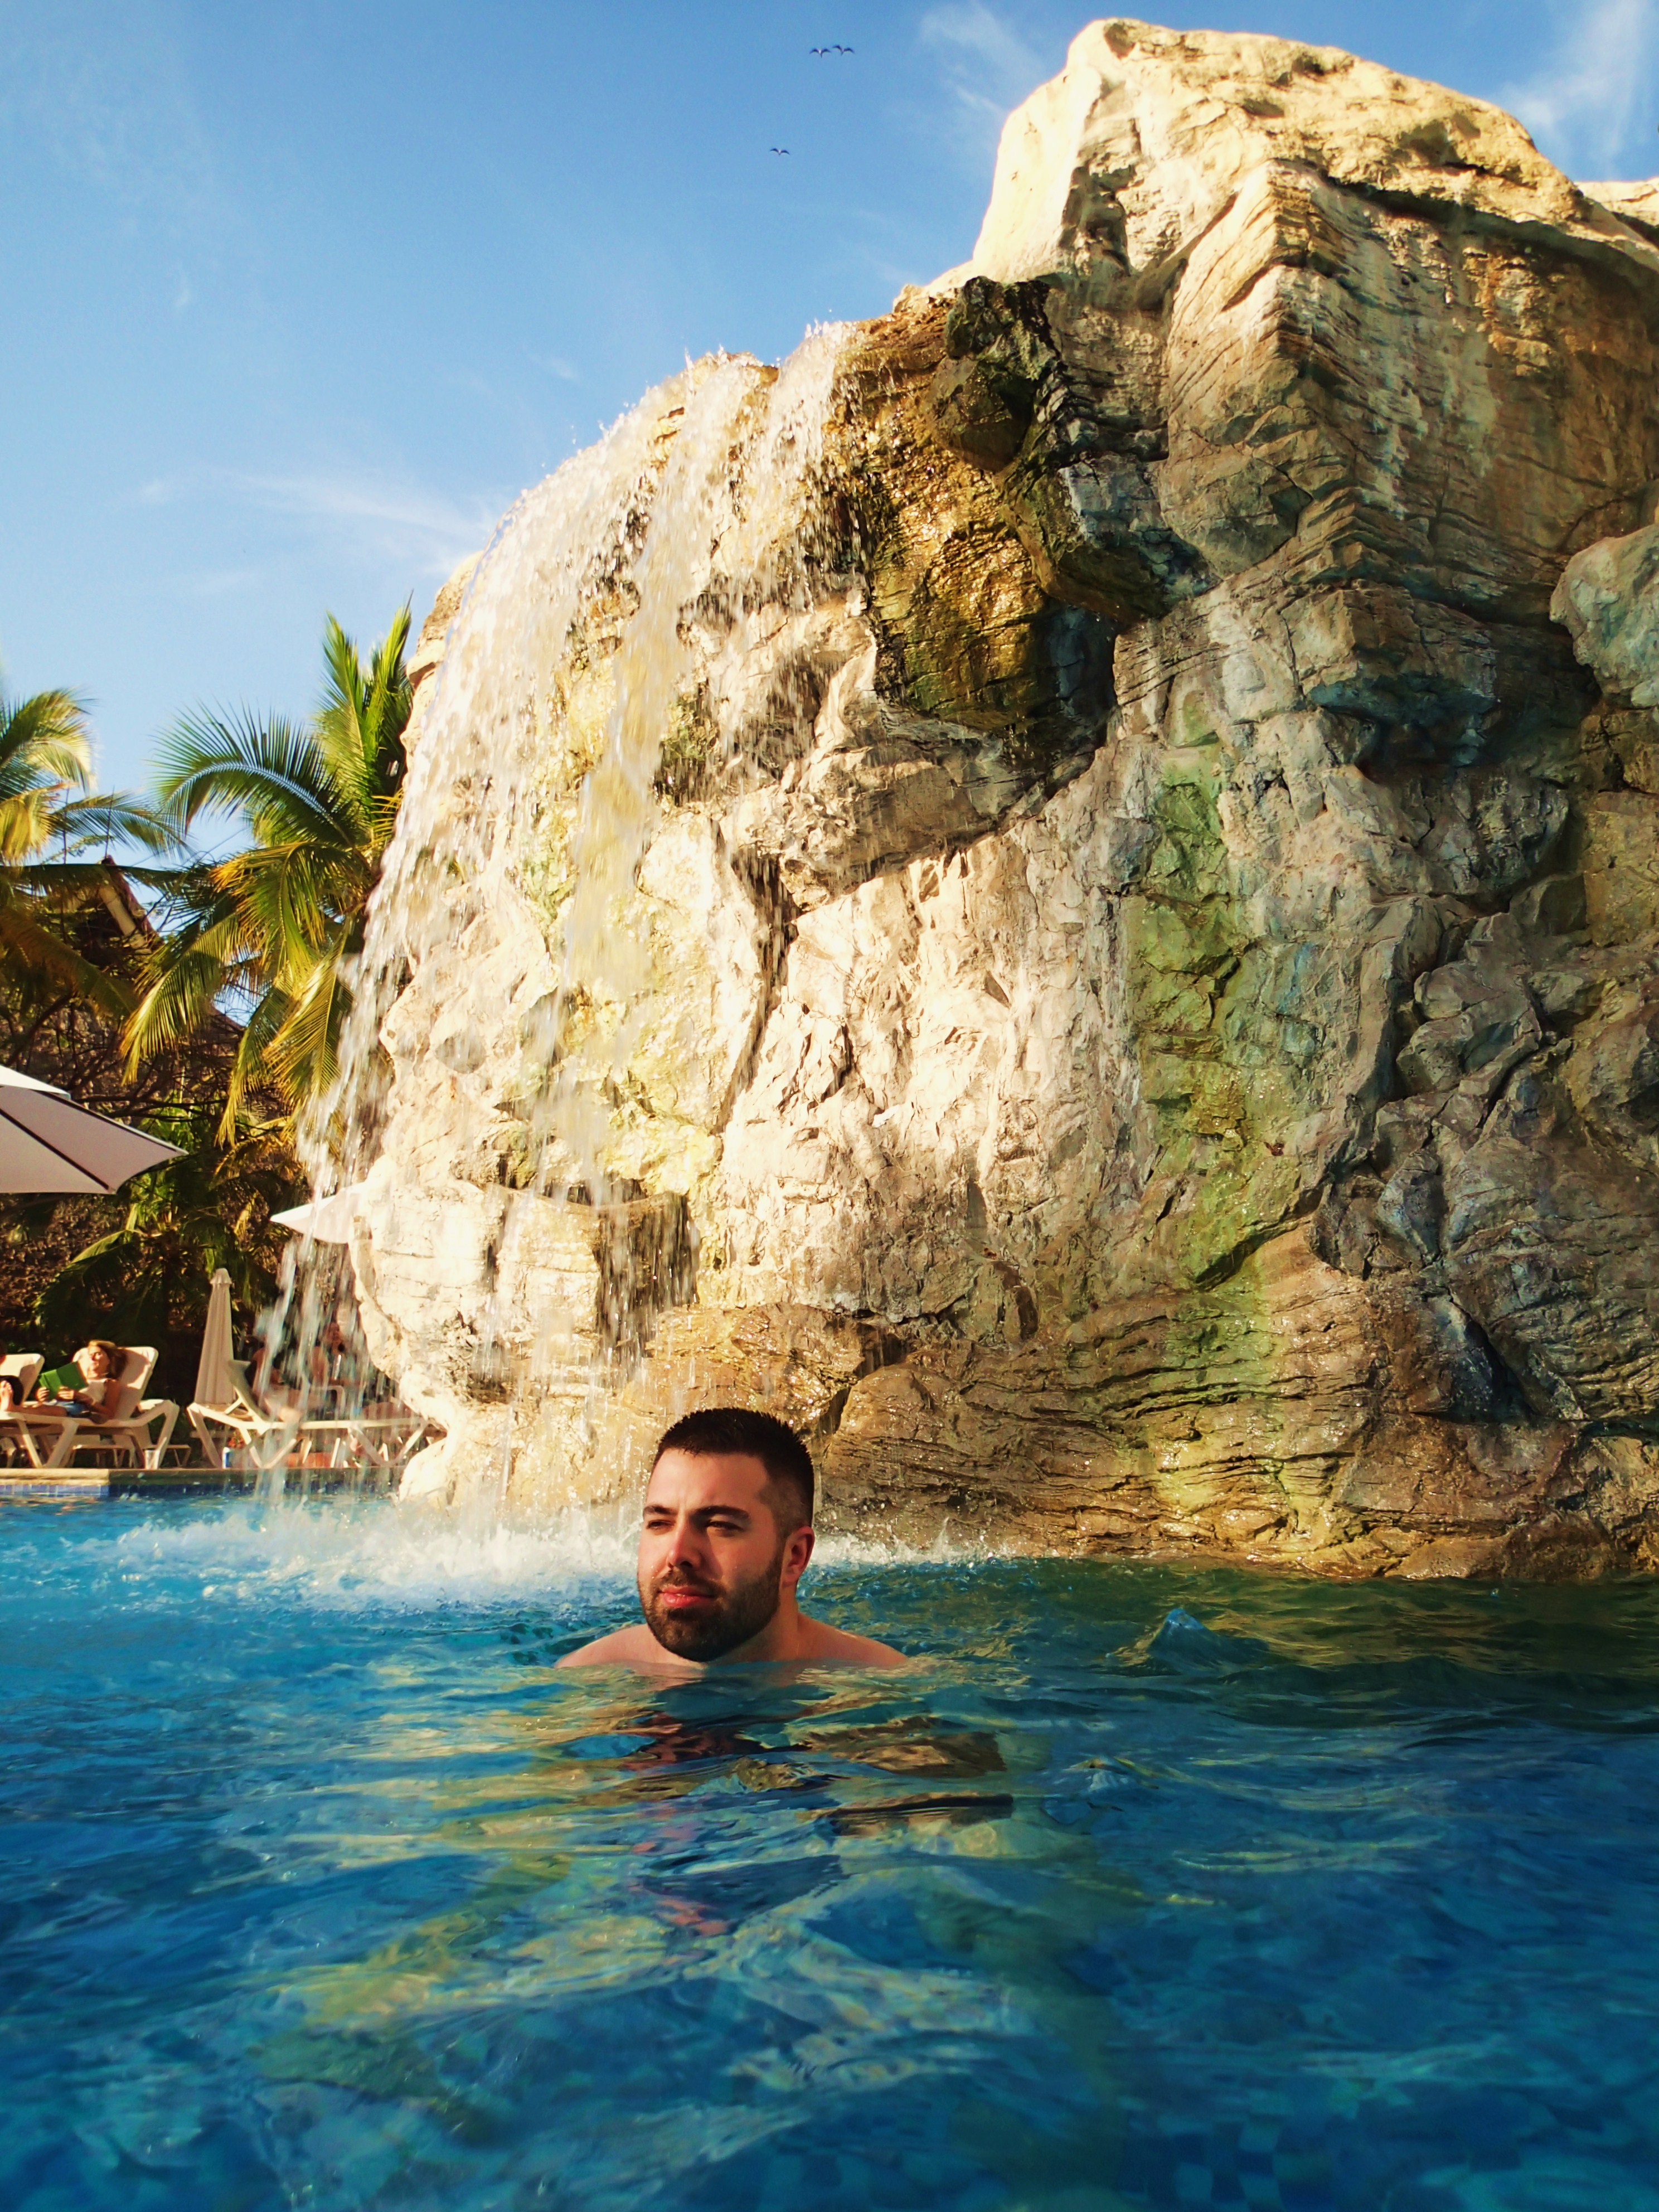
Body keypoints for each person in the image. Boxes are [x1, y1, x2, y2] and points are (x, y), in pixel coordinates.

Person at [560, 1407, 906, 1671]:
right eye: (660, 1523)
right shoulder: (585, 1685)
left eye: (719, 1526)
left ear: (795, 1556)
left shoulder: (882, 1694)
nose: (678, 1554)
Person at [35, 1341, 124, 1424]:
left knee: (41, 1411)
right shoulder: (75, 1377)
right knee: (34, 1409)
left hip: (76, 1409)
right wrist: (44, 1396)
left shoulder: (110, 1382)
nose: (92, 1358)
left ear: (110, 1359)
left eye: (98, 1354)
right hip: (53, 1404)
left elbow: (110, 1414)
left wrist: (85, 1399)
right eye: (90, 1355)